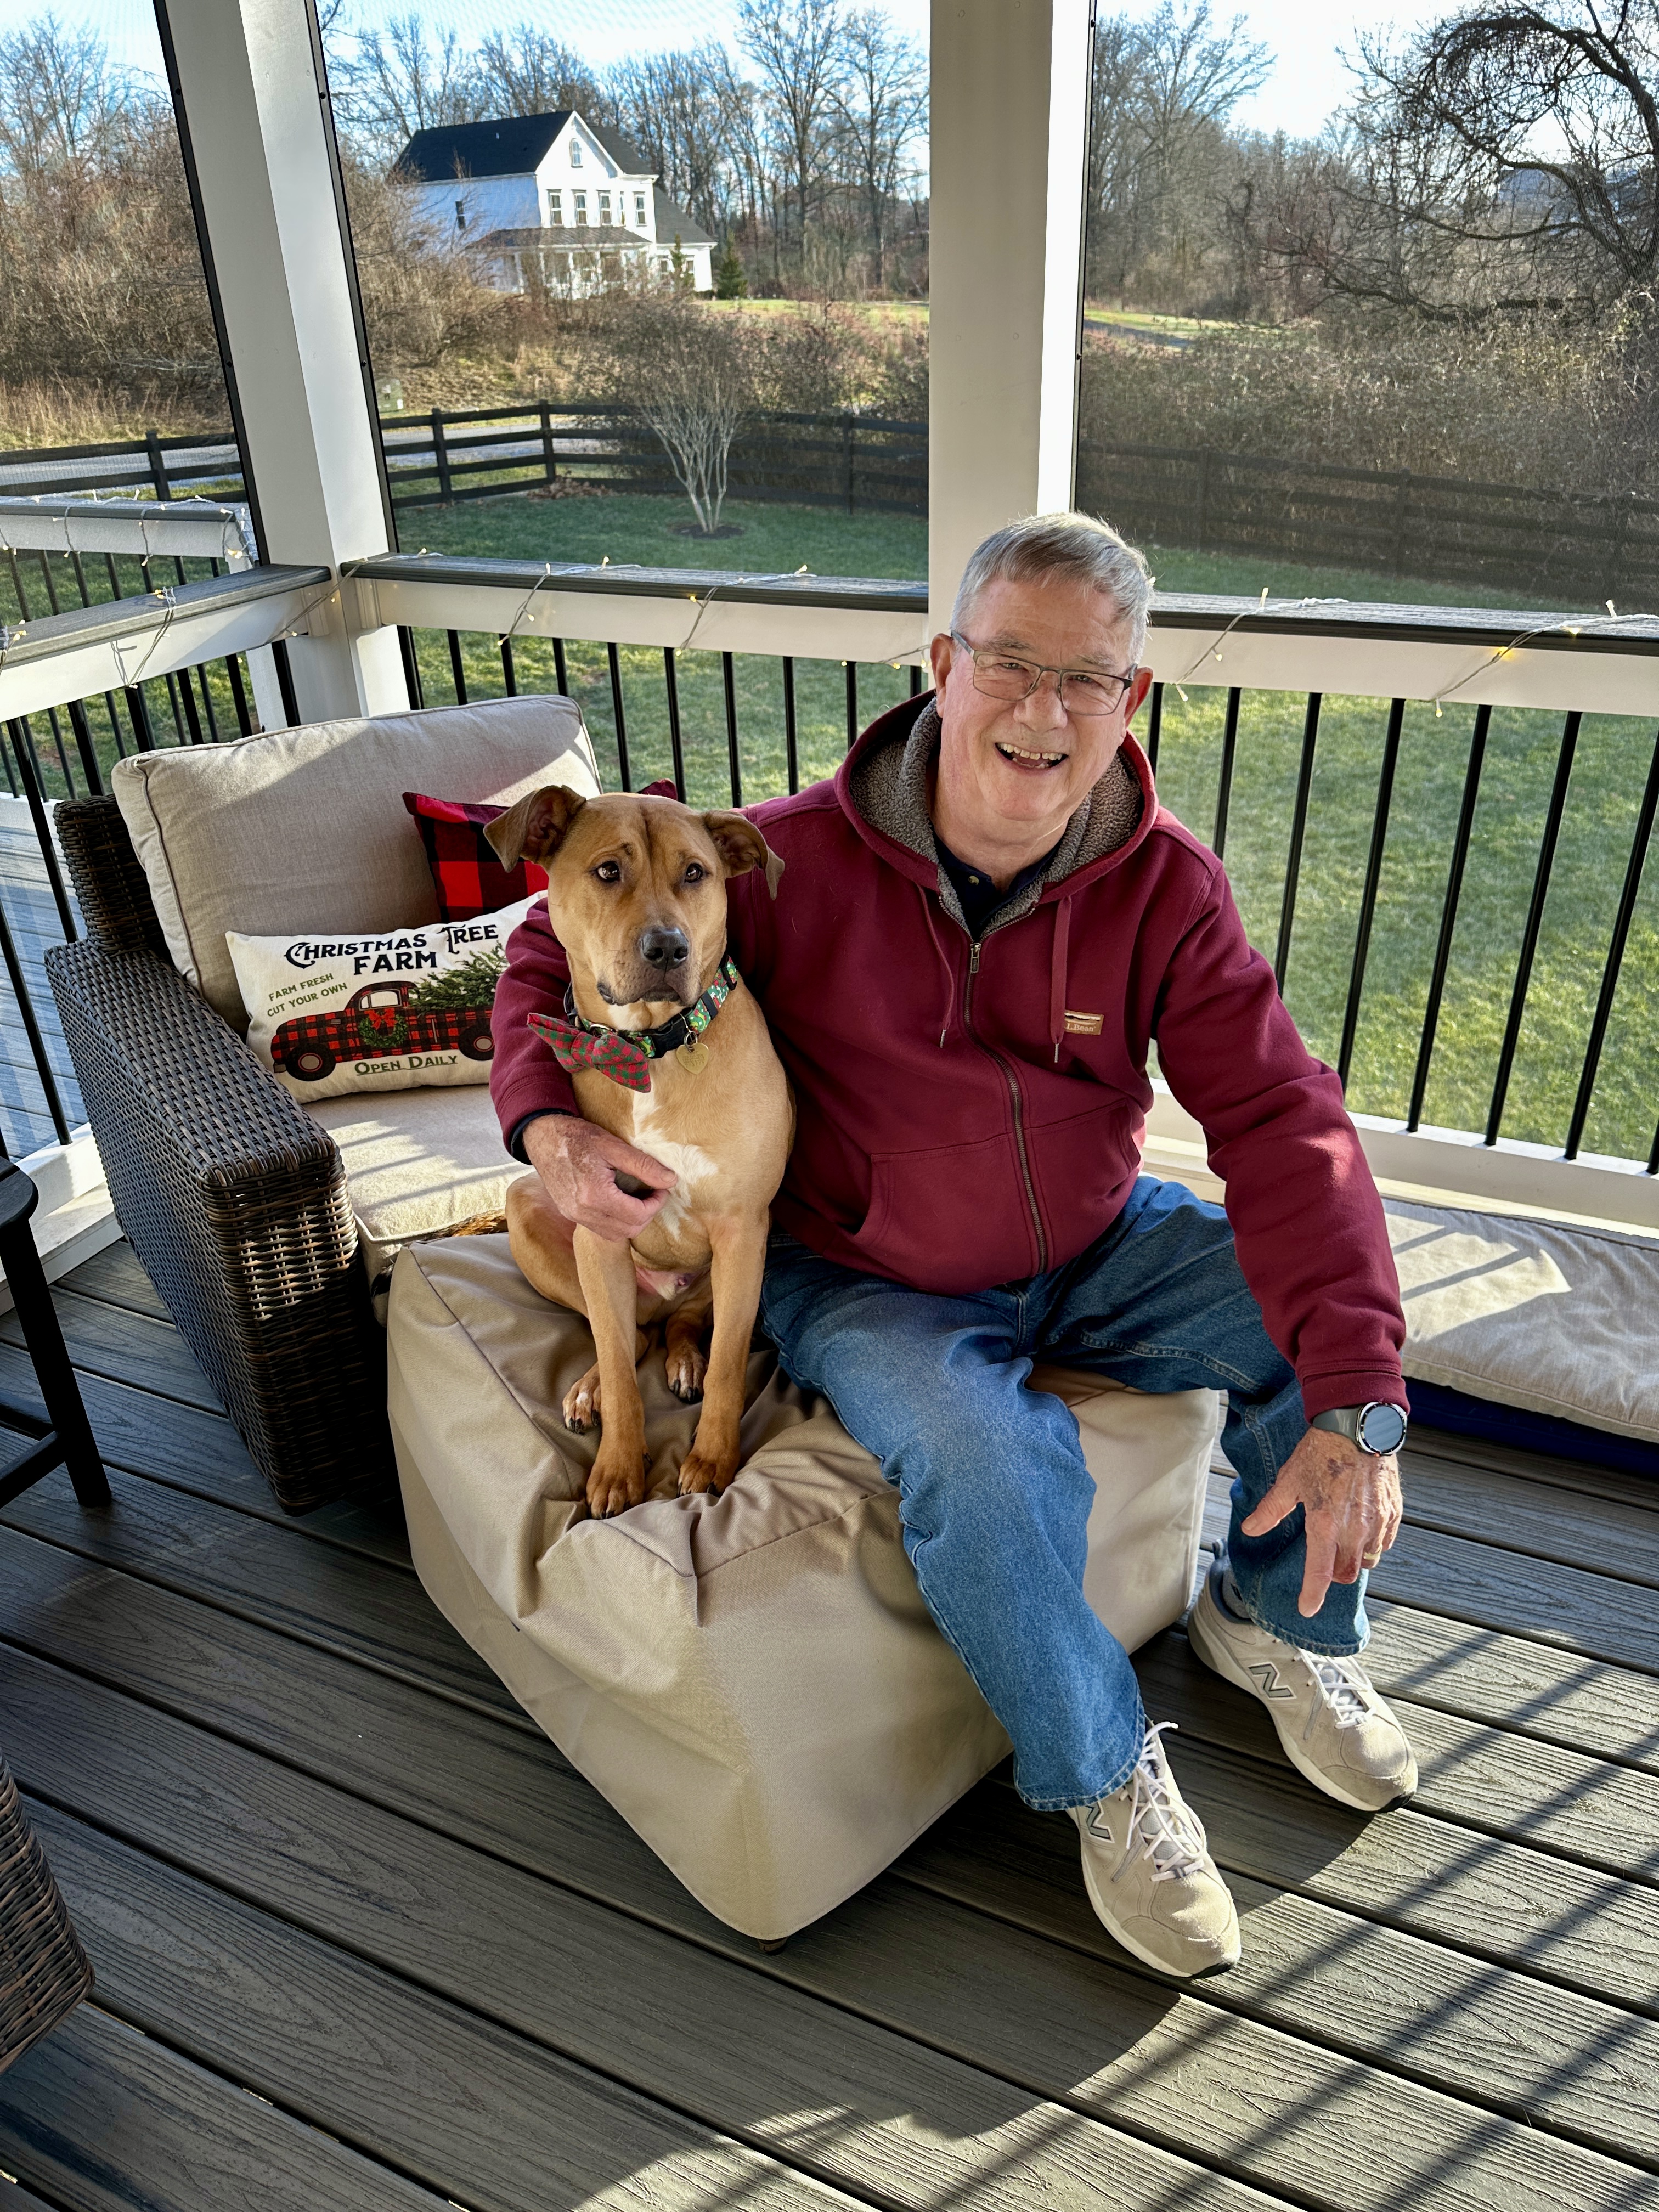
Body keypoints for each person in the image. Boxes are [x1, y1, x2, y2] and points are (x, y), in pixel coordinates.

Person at [491, 511, 1415, 1980]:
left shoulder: (1167, 888)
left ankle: (1274, 1618)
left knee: (1325, 1329)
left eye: (1089, 677)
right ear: (942, 667)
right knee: (987, 1466)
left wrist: (1363, 1394)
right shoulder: (787, 859)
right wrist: (544, 1119)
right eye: (1011, 664)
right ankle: (1103, 1770)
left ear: (1133, 698)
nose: (1045, 710)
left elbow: (1283, 1117)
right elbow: (557, 945)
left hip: (1097, 1239)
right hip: (872, 1277)